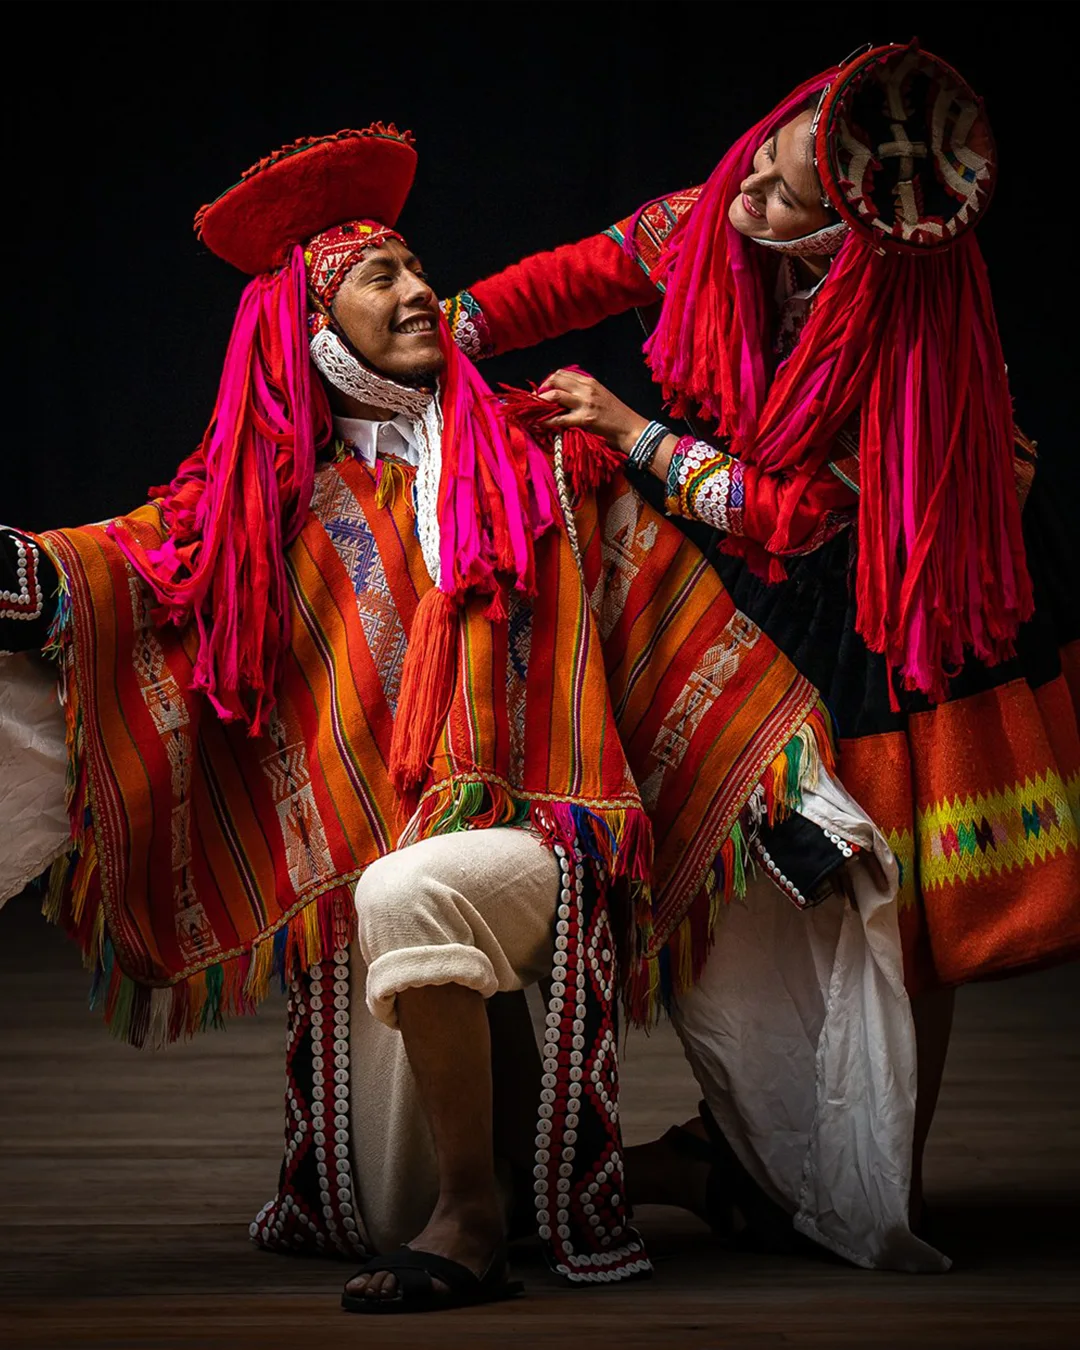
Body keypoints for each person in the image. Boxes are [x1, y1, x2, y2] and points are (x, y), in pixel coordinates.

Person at [0, 118, 942, 1315]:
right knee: (364, 1187)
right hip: (388, 842)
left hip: (551, 843)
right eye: (380, 277)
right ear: (312, 329)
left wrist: (788, 789)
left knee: (415, 892)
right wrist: (23, 573)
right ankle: (644, 1174)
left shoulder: (547, 460)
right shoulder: (275, 510)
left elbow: (679, 628)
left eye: (416, 266)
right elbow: (143, 571)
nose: (421, 289)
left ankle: (475, 1224)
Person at [440, 40, 1080, 1231]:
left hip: (908, 591)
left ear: (847, 238)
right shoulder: (718, 217)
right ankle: (761, 1144)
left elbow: (795, 515)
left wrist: (628, 428)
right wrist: (440, 331)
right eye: (763, 158)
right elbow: (571, 280)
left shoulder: (904, 339)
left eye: (782, 197)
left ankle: (883, 1173)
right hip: (776, 551)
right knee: (760, 876)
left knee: (898, 893)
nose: (748, 198)